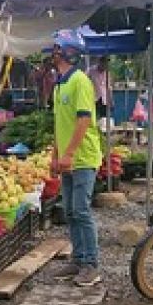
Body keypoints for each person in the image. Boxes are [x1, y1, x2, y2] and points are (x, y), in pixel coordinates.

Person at [49, 30, 103, 287]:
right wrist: (55, 154)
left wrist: (69, 153)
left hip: (83, 158)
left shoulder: (80, 81)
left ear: (66, 52)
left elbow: (83, 120)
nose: (52, 52)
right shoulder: (60, 84)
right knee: (70, 211)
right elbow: (60, 123)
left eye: (56, 48)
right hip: (68, 159)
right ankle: (79, 258)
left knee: (81, 210)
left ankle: (91, 264)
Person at [88, 57, 112, 124]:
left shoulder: (107, 73)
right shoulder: (91, 71)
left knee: (104, 119)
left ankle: (103, 133)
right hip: (94, 98)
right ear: (100, 62)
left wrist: (111, 100)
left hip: (104, 99)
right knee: (93, 117)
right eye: (104, 62)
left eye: (107, 63)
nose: (105, 65)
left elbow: (109, 87)